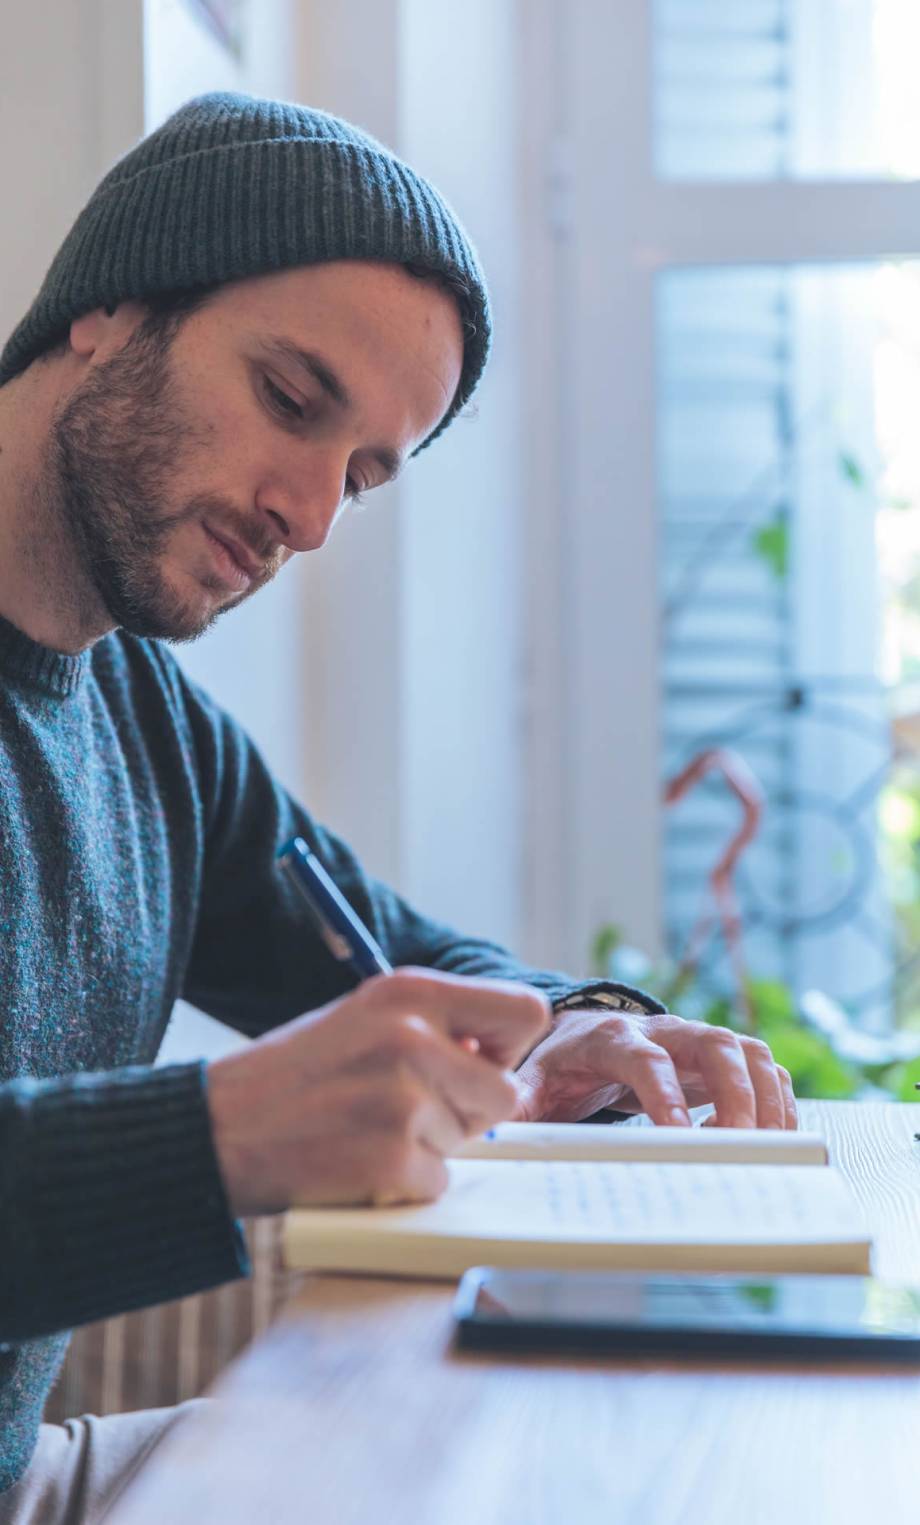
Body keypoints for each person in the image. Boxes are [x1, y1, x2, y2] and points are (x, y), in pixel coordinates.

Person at [0, 92, 795, 1520]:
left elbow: (389, 952)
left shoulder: (151, 730)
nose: (310, 514)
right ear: (108, 308)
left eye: (362, 475)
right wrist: (217, 1136)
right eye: (294, 402)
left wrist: (572, 1025)